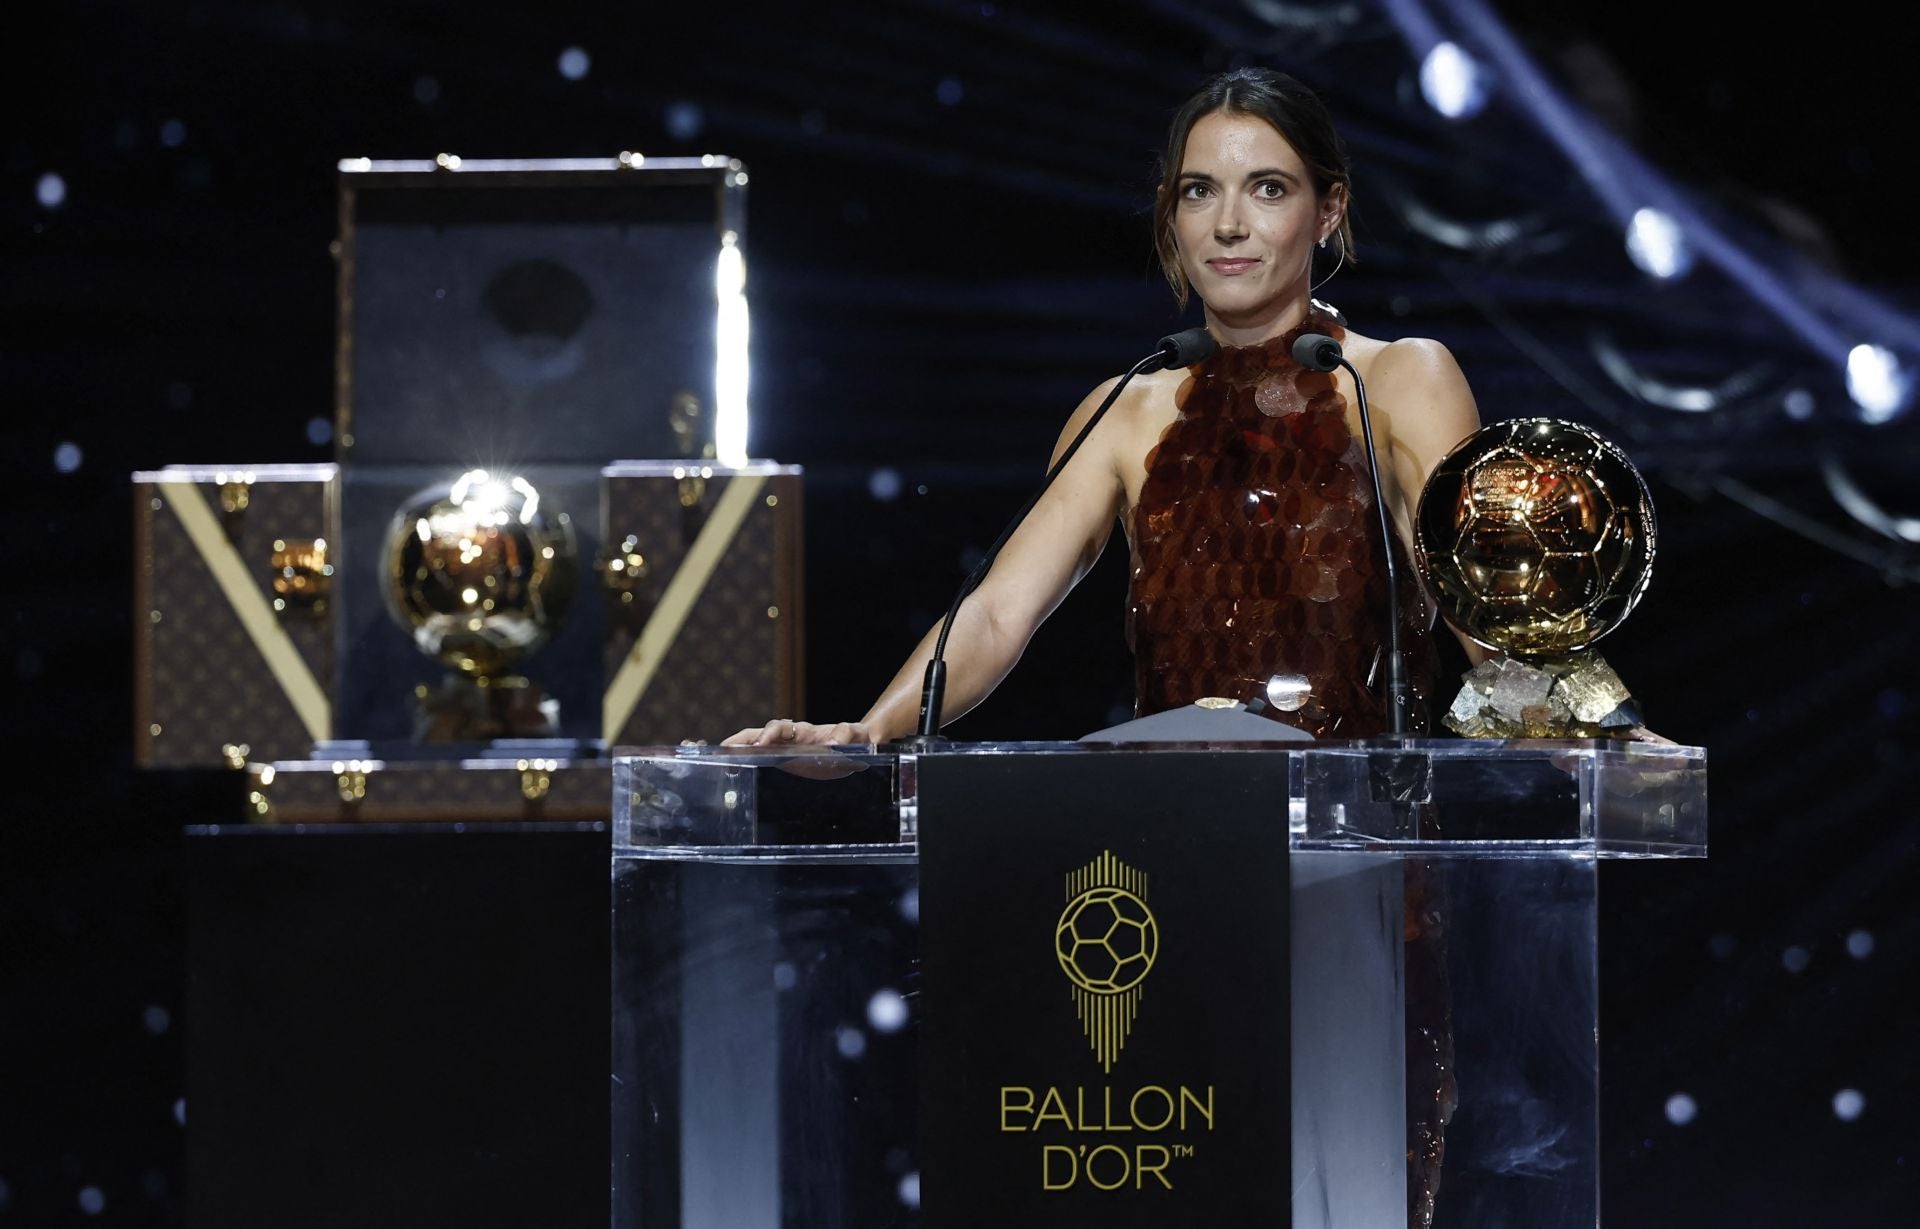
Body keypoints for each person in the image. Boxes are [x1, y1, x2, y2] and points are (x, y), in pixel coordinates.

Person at [725, 67, 1488, 749]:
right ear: (1170, 214)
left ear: (1328, 211)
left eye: (1268, 188)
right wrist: (869, 730)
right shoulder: (1125, 407)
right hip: (1174, 843)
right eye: (1199, 191)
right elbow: (996, 614)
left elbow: (1490, 618)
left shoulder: (1395, 378)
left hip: (1357, 846)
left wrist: (1577, 734)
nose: (1228, 223)